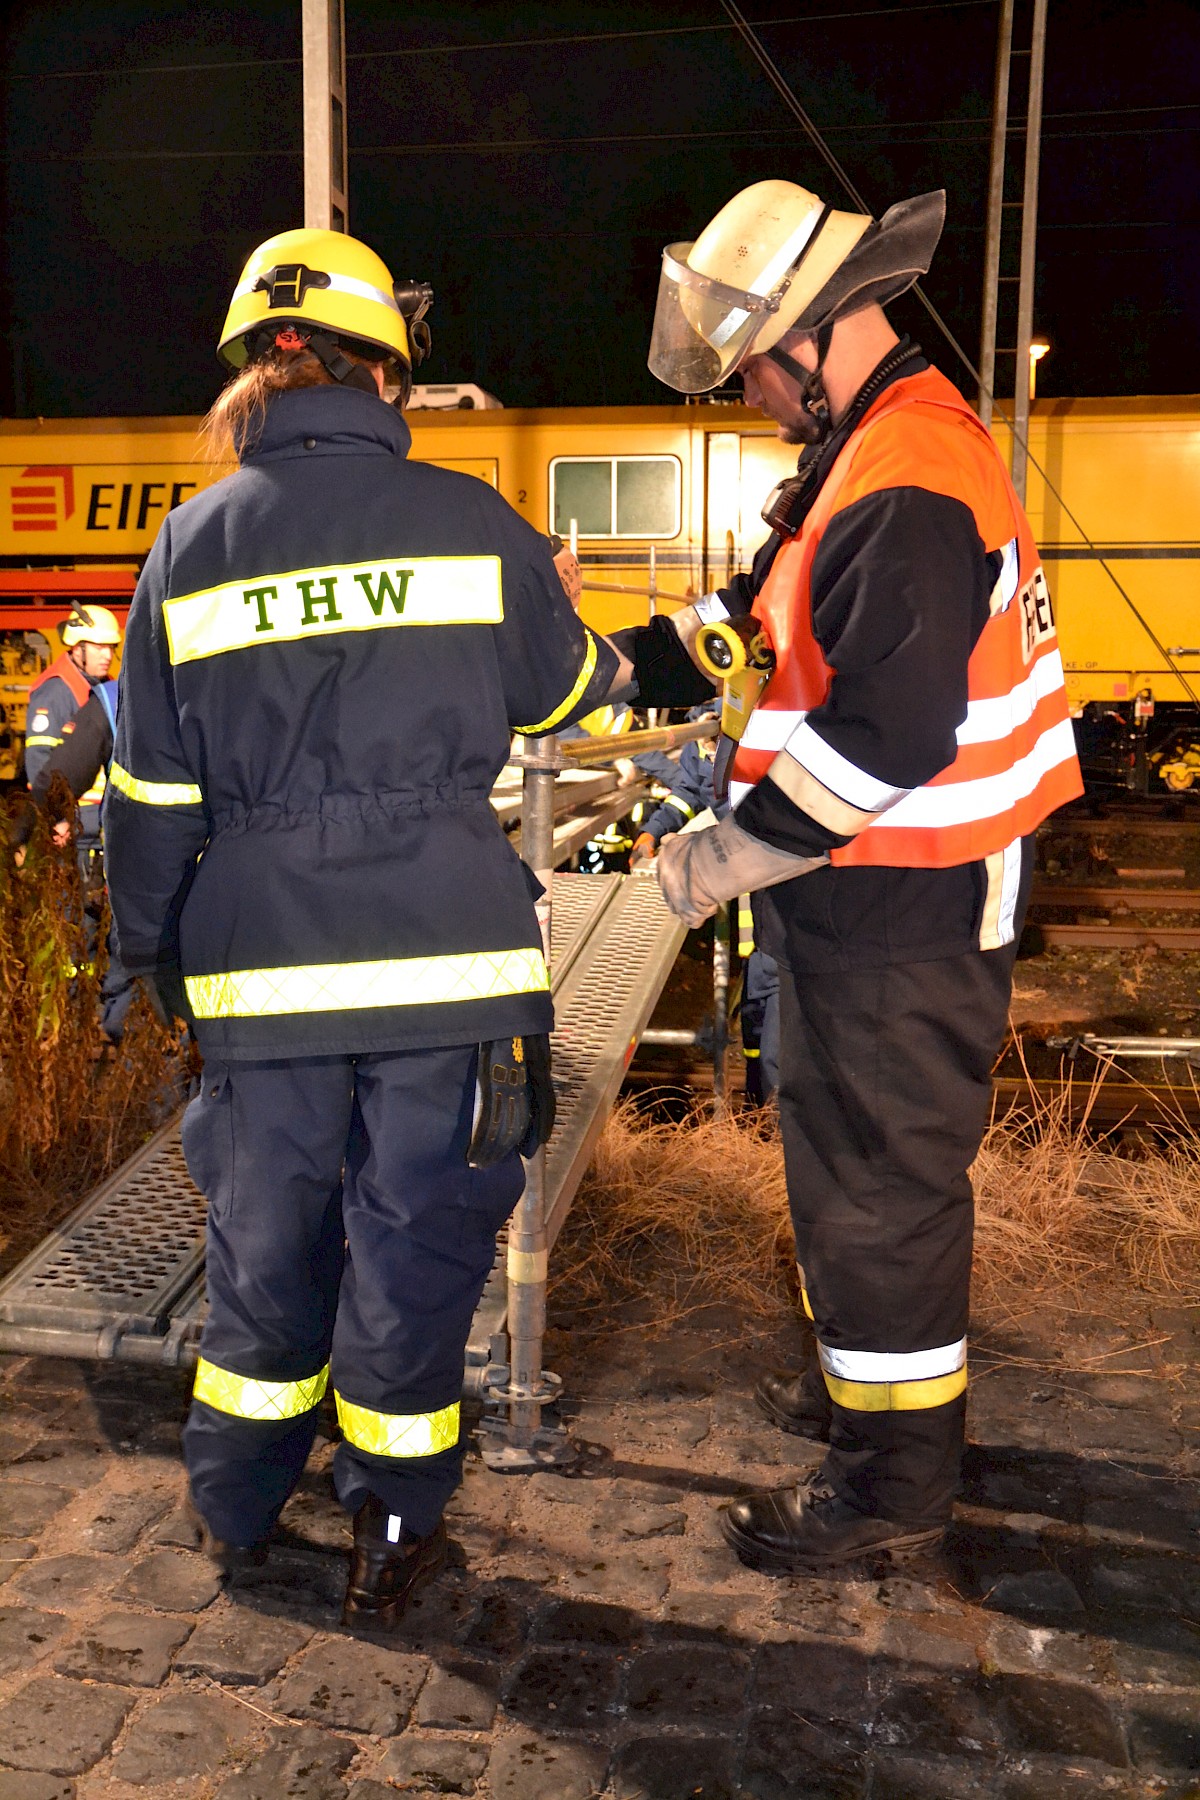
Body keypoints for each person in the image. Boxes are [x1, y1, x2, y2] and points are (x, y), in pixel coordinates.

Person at [104, 227, 620, 1628]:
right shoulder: (471, 519)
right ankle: (393, 1525)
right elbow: (576, 695)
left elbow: (148, 793)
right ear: (387, 374)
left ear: (251, 380)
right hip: (451, 967)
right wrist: (566, 614)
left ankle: (235, 1504)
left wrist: (146, 957)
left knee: (265, 1244)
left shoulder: (188, 545)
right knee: (417, 1250)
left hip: (260, 964)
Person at [614, 179, 1082, 1568]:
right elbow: (760, 620)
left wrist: (715, 860)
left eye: (753, 361)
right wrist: (608, 667)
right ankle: (880, 1410)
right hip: (875, 887)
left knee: (878, 1189)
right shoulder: (867, 453)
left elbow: (884, 734)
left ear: (815, 333)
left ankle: (892, 1489)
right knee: (850, 1178)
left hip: (906, 890)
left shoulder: (907, 479)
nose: (751, 389)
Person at [631, 703, 780, 1106]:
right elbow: (689, 792)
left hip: (783, 886)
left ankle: (775, 1105)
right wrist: (654, 829)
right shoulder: (702, 735)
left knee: (775, 1004)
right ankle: (758, 1099)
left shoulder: (760, 724)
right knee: (756, 1004)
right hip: (757, 899)